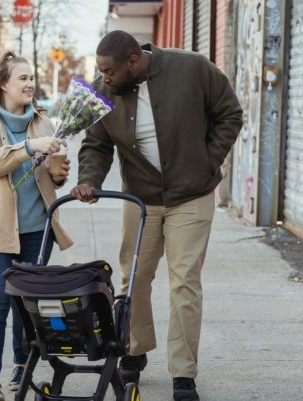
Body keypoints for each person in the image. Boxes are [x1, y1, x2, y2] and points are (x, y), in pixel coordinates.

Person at [70, 30, 243, 401]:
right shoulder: (106, 92)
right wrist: (88, 180)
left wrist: (207, 162)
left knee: (184, 282)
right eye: (100, 71)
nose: (104, 78)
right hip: (141, 200)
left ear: (133, 61)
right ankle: (135, 348)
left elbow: (229, 113)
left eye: (109, 70)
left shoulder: (192, 68)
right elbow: (96, 145)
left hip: (191, 196)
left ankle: (183, 373)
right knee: (134, 278)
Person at [0, 51, 74, 401]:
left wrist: (58, 171)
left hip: (35, 231)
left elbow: (50, 178)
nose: (30, 83)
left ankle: (20, 368)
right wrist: (28, 147)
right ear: (3, 84)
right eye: (23, 78)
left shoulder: (43, 120)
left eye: (31, 77)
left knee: (26, 305)